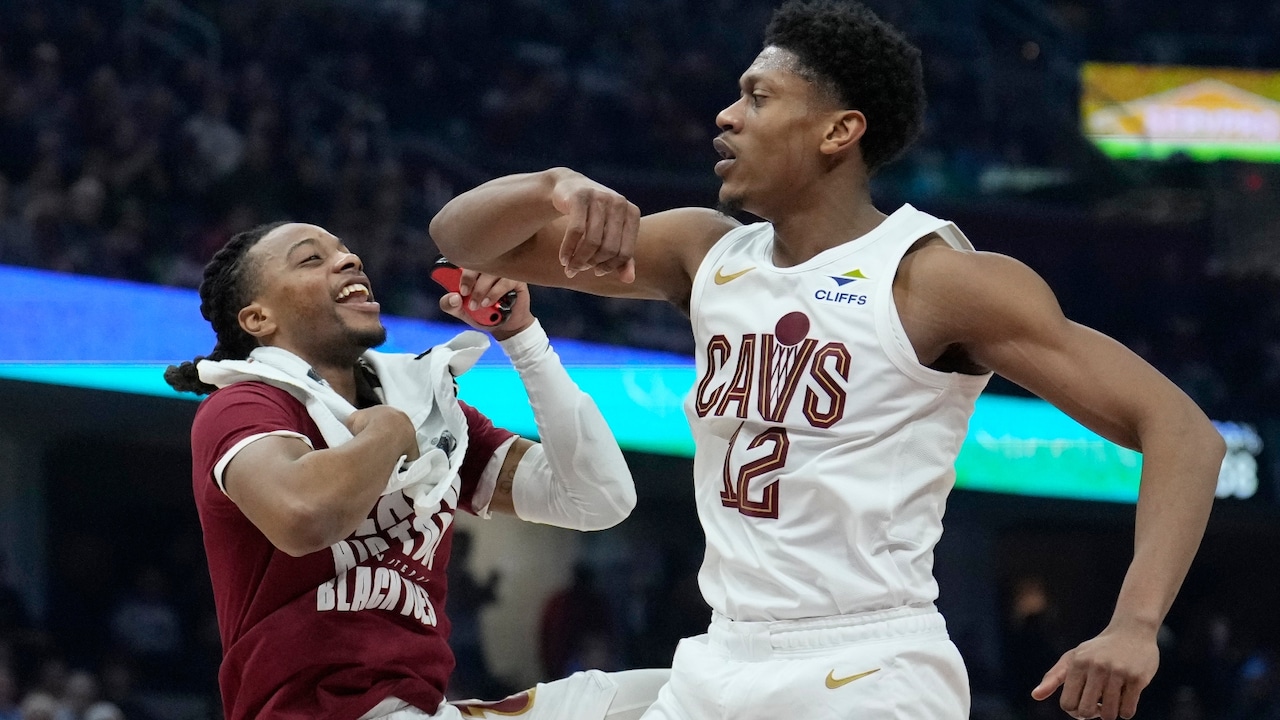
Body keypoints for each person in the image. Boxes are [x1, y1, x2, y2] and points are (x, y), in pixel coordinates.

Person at [428, 2, 1227, 719]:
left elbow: (1184, 433)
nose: (726, 116)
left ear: (838, 131)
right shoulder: (704, 252)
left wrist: (1135, 625)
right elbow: (463, 241)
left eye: (758, 97)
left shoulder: (933, 279)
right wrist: (552, 185)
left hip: (867, 664)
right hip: (719, 655)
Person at [164, 221, 667, 720]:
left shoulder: (427, 412)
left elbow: (598, 499)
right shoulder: (244, 405)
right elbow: (303, 516)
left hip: (424, 710)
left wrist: (522, 337)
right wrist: (388, 433)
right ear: (258, 319)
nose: (349, 260)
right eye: (311, 259)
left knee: (690, 691)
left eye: (345, 250)